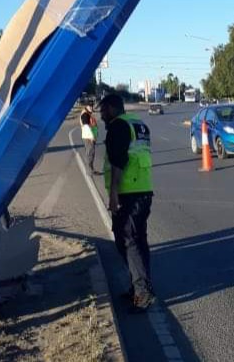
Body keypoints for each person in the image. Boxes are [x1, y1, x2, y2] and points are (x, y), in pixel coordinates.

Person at [98, 94, 155, 312]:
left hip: (128, 193)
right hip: (144, 190)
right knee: (138, 241)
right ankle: (139, 287)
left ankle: (142, 293)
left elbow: (118, 162)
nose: (101, 115)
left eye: (103, 110)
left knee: (128, 242)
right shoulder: (138, 124)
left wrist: (113, 196)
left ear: (112, 108)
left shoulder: (117, 126)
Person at [80, 104, 99, 175]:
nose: (91, 108)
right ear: (86, 107)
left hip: (89, 136)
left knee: (91, 153)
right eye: (90, 106)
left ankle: (91, 170)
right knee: (90, 154)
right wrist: (91, 137)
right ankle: (89, 171)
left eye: (92, 106)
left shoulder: (87, 113)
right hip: (88, 137)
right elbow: (86, 127)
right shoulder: (85, 115)